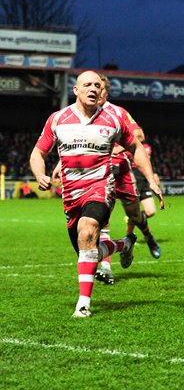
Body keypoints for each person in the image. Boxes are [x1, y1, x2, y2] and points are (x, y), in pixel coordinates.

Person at [30, 70, 164, 318]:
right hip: (71, 194)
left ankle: (83, 304)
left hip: (100, 186)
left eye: (96, 85)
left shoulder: (114, 118)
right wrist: (40, 175)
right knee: (86, 249)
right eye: (87, 85)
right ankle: (125, 245)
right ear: (76, 90)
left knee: (89, 230)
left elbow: (135, 146)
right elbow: (38, 152)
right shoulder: (58, 119)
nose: (93, 89)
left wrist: (151, 179)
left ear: (102, 90)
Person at [95, 75, 163, 284]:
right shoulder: (84, 114)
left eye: (100, 88)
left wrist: (118, 145)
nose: (96, 92)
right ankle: (105, 267)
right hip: (99, 172)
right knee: (101, 220)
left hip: (122, 170)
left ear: (106, 92)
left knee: (134, 214)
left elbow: (139, 136)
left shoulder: (118, 112)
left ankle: (146, 236)